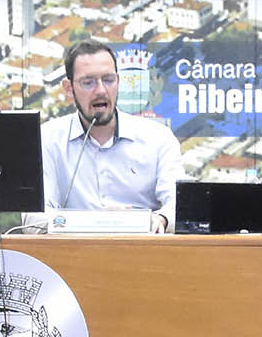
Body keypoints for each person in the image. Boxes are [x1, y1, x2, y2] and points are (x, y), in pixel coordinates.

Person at [41, 39, 178, 214]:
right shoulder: (47, 139)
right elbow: (34, 217)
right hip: (76, 242)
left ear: (118, 81)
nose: (100, 91)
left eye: (108, 80)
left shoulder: (158, 138)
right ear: (69, 88)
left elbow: (179, 206)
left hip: (141, 240)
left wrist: (162, 220)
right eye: (88, 82)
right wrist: (95, 225)